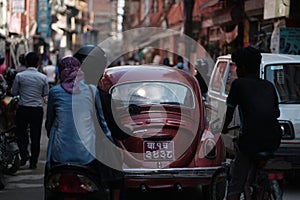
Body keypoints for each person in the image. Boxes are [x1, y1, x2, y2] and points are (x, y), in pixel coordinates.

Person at [221, 46, 282, 200]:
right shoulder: (269, 86)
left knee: (236, 181)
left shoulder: (238, 85)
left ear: (242, 68)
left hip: (250, 140)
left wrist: (224, 128)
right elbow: (276, 113)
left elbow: (229, 112)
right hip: (273, 139)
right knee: (260, 174)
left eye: (237, 67)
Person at [11, 52, 49, 169]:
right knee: (35, 136)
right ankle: (33, 162)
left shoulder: (19, 76)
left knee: (21, 133)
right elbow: (45, 93)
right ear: (38, 63)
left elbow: (13, 92)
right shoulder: (43, 78)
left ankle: (24, 153)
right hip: (36, 110)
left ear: (26, 62)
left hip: (23, 109)